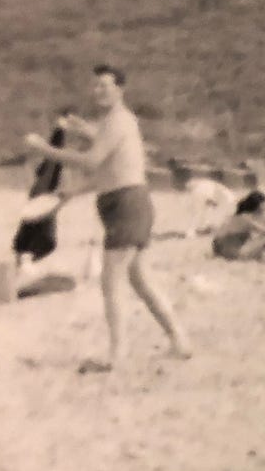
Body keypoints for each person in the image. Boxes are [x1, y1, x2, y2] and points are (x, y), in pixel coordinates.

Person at [25, 64, 191, 373]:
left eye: (104, 86)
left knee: (111, 282)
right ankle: (179, 340)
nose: (98, 91)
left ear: (120, 89)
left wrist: (45, 150)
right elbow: (109, 167)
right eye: (95, 86)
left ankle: (117, 355)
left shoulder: (119, 121)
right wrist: (70, 191)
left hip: (127, 206)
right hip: (128, 204)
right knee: (141, 279)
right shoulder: (116, 123)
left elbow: (91, 161)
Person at [210, 191, 265, 271]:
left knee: (261, 240)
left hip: (222, 251)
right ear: (256, 209)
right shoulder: (246, 218)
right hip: (231, 254)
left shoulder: (239, 216)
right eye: (263, 209)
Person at [169, 161, 235, 237]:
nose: (174, 185)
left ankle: (209, 228)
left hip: (230, 208)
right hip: (228, 205)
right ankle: (210, 227)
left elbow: (198, 212)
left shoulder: (198, 189)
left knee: (199, 209)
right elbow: (212, 201)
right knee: (206, 208)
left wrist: (190, 232)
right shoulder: (201, 184)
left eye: (175, 182)